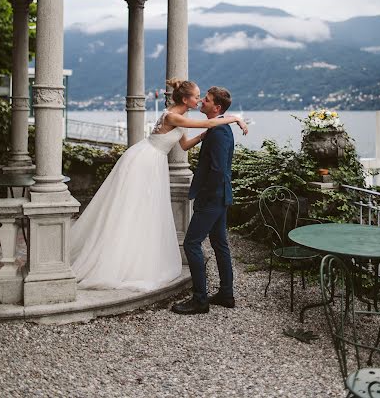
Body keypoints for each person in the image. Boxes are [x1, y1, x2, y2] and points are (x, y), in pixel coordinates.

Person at [70, 79, 248, 292]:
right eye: (197, 96)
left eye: (204, 98)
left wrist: (203, 136)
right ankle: (114, 259)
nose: (200, 100)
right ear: (185, 99)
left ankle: (135, 256)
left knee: (142, 211)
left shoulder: (181, 118)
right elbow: (210, 123)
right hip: (144, 160)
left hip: (154, 161)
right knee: (129, 209)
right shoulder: (172, 116)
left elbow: (184, 145)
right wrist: (235, 118)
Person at [172, 86, 238, 315]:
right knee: (220, 244)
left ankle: (200, 300)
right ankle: (226, 294)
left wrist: (205, 196)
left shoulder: (219, 132)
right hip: (221, 196)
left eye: (207, 100)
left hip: (212, 198)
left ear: (217, 108)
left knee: (191, 243)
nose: (202, 102)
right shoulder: (220, 127)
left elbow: (218, 170)